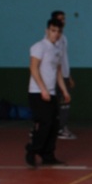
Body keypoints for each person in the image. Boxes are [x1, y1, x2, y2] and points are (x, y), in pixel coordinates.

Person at [27, 17, 70, 167]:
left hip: (51, 93)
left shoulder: (57, 50)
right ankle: (32, 150)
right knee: (45, 123)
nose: (56, 34)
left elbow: (57, 72)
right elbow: (33, 68)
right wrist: (43, 89)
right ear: (47, 30)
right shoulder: (39, 47)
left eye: (59, 31)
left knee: (54, 124)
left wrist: (64, 91)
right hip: (37, 92)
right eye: (53, 30)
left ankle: (48, 155)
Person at [50, 11, 77, 140]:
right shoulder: (53, 39)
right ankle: (59, 129)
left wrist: (69, 76)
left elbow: (63, 59)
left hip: (64, 76)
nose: (63, 21)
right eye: (60, 19)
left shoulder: (63, 38)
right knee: (57, 104)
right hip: (55, 77)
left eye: (64, 19)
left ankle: (60, 127)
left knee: (64, 103)